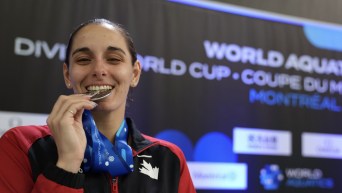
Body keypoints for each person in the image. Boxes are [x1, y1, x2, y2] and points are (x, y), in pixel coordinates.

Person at [0, 18, 196, 193]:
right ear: (68, 75)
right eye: (84, 60)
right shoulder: (21, 145)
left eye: (113, 59)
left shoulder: (169, 158)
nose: (99, 70)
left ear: (134, 74)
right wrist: (67, 164)